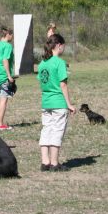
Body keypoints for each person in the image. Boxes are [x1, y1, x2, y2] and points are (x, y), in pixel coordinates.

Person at [37, 34, 76, 172]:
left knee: (46, 130)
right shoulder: (59, 62)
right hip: (59, 102)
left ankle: (45, 162)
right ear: (59, 45)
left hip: (46, 103)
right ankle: (54, 163)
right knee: (57, 132)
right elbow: (63, 85)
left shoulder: (42, 63)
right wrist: (69, 104)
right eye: (63, 46)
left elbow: (42, 82)